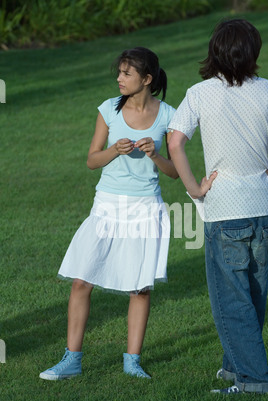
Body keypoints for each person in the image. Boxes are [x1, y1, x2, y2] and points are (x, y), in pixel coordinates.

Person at [168, 19, 268, 394]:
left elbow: (175, 143)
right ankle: (234, 367)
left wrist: (195, 188)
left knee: (231, 298)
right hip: (263, 206)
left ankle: (255, 381)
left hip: (224, 209)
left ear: (214, 51)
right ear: (253, 53)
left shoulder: (199, 93)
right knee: (253, 294)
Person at [39, 47, 181, 380]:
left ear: (146, 79)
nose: (119, 78)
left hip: (146, 207)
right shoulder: (108, 110)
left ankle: (132, 361)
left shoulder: (169, 115)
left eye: (126, 73)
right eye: (118, 72)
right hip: (107, 205)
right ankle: (71, 359)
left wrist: (155, 156)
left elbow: (176, 172)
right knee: (80, 280)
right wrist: (113, 151)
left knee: (140, 288)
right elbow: (91, 160)